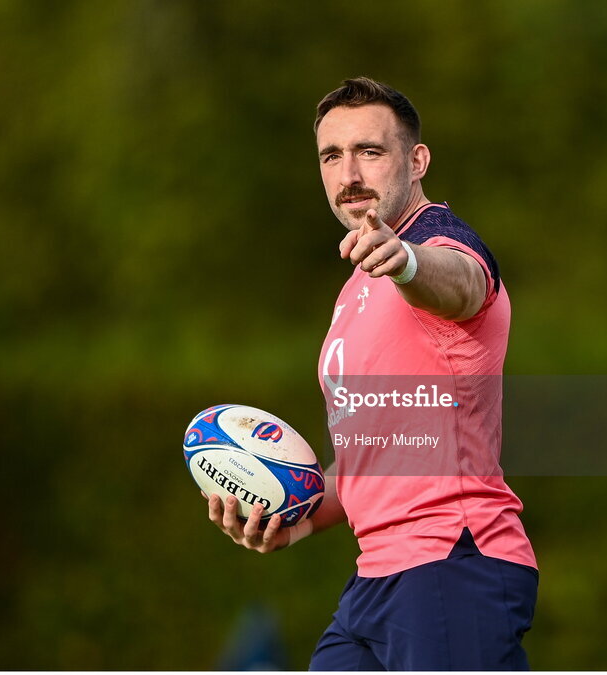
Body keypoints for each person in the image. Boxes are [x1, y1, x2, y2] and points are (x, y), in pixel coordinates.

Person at [207, 77, 537, 670]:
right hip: (376, 578)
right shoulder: (356, 287)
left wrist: (408, 262)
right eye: (332, 156)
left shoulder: (438, 244)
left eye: (370, 151)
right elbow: (370, 456)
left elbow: (464, 285)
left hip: (453, 562)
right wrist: (292, 520)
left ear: (417, 161)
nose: (349, 172)